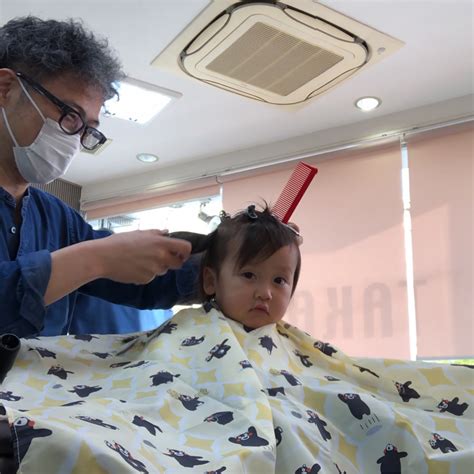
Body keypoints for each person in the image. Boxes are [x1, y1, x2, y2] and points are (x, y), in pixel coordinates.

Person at [0, 16, 197, 338]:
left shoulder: (58, 219)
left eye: (88, 130)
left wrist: (233, 251)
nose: (76, 140)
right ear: (5, 89)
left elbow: (144, 281)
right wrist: (93, 260)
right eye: (70, 116)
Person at [199, 204, 301, 329]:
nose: (265, 294)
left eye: (279, 280)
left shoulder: (296, 344)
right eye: (249, 275)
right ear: (211, 281)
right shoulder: (186, 332)